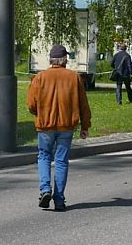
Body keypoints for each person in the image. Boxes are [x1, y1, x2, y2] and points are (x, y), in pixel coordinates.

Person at [27, 43, 91, 212]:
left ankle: (45, 189)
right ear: (64, 60)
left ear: (50, 60)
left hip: (45, 126)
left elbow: (31, 104)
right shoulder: (74, 77)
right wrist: (85, 125)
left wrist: (40, 113)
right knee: (61, 161)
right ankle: (59, 200)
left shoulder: (40, 78)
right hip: (66, 126)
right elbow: (83, 104)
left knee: (44, 156)